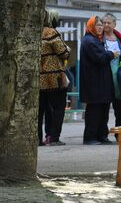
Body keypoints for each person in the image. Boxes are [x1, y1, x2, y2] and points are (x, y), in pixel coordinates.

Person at [80, 15, 119, 145]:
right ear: (91, 26)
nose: (101, 28)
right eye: (98, 25)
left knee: (103, 110)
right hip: (93, 83)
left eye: (101, 25)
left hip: (101, 83)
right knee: (94, 112)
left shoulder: (97, 40)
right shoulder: (89, 41)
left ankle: (102, 135)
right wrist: (111, 54)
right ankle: (90, 137)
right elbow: (100, 58)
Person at [39, 9, 71, 146]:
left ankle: (37, 139)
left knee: (40, 110)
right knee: (58, 108)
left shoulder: (36, 32)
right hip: (54, 78)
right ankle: (53, 138)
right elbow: (64, 52)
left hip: (39, 78)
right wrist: (68, 49)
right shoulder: (51, 32)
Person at [102, 13, 121, 129]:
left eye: (109, 23)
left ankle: (120, 132)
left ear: (114, 24)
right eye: (104, 22)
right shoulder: (99, 38)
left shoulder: (120, 39)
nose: (106, 25)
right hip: (105, 75)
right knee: (104, 106)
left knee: (120, 106)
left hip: (118, 76)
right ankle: (103, 133)